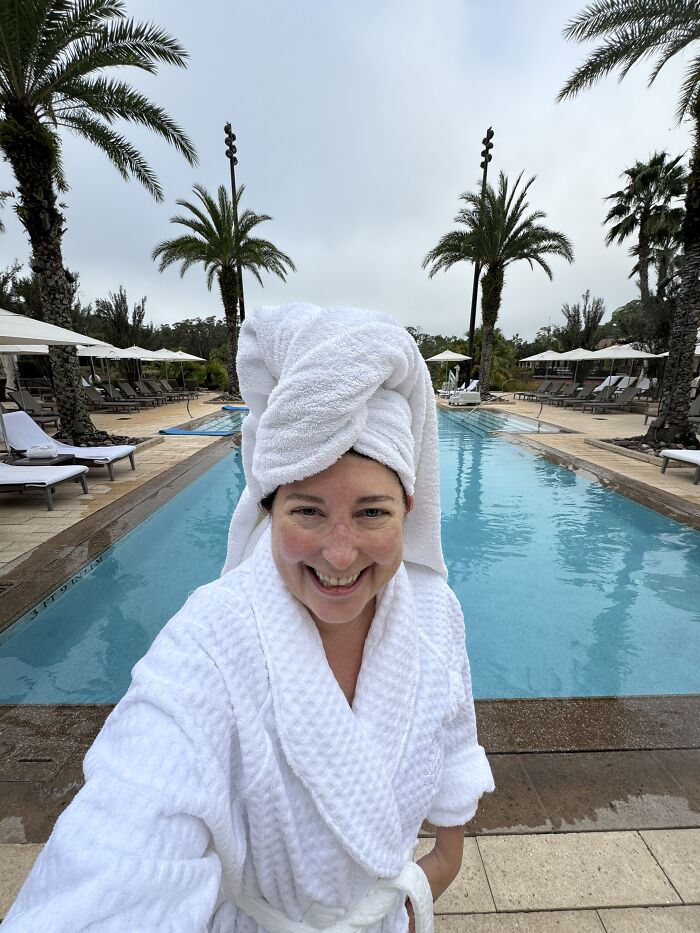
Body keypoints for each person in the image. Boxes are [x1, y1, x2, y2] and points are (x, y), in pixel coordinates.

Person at [4, 304, 494, 932]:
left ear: (409, 507)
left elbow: (453, 753)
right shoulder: (209, 643)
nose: (339, 555)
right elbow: (116, 854)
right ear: (267, 507)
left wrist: (433, 874)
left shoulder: (433, 613)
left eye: (372, 513)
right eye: (308, 511)